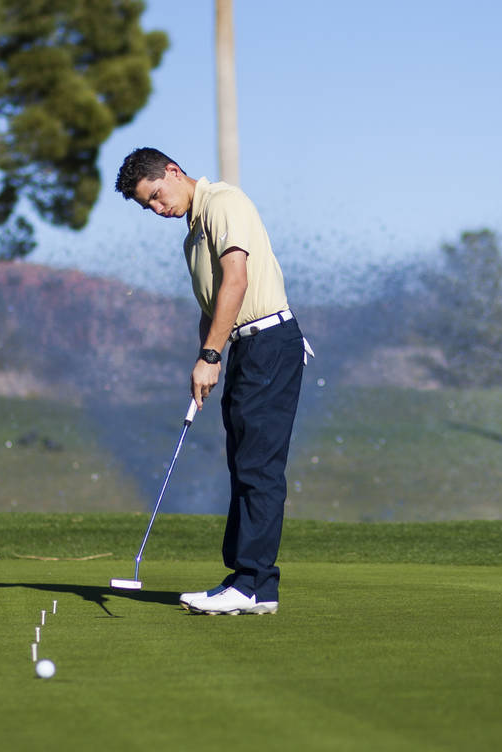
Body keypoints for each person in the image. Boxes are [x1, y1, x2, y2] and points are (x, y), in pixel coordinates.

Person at [115, 147, 310, 615]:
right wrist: (208, 361)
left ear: (173, 172)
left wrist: (210, 355)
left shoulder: (223, 202)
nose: (159, 209)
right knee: (245, 465)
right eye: (150, 207)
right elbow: (213, 306)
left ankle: (249, 582)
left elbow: (236, 282)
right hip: (245, 349)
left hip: (269, 342)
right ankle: (255, 585)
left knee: (258, 467)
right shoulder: (192, 237)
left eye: (158, 196)